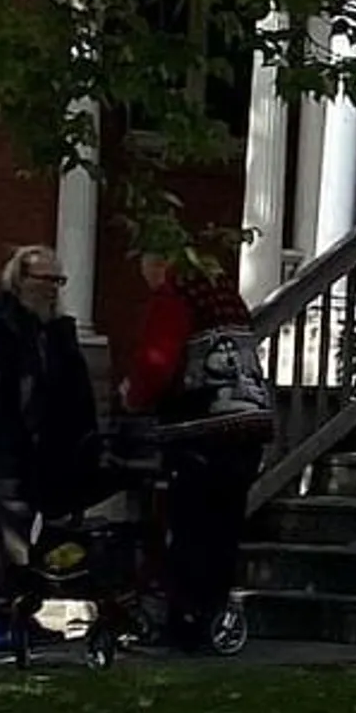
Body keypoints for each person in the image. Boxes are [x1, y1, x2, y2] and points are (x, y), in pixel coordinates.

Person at [121, 251, 271, 654]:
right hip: (248, 427)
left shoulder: (175, 298)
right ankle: (212, 620)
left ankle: (182, 625)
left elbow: (157, 363)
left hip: (201, 432)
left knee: (187, 532)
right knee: (223, 531)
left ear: (159, 264)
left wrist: (133, 397)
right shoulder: (226, 299)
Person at [0, 246, 100, 654]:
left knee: (45, 543)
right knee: (7, 542)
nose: (53, 289)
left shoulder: (57, 333)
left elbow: (76, 395)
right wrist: (0, 456)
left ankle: (23, 612)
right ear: (20, 279)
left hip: (51, 456)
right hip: (4, 456)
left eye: (59, 281)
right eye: (44, 279)